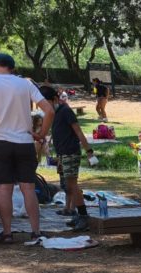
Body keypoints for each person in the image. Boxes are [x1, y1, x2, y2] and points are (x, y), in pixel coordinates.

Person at [0, 53, 54, 243]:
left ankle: (7, 233)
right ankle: (36, 232)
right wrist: (41, 134)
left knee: (4, 188)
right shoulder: (26, 83)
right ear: (12, 68)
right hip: (24, 141)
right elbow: (49, 110)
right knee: (28, 188)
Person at [40, 86, 95, 231]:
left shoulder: (65, 111)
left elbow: (78, 131)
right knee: (67, 185)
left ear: (55, 99)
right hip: (61, 154)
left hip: (70, 152)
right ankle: (76, 213)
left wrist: (89, 151)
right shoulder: (53, 113)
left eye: (46, 103)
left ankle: (83, 216)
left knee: (72, 184)